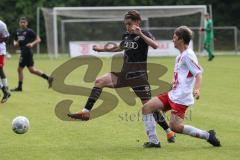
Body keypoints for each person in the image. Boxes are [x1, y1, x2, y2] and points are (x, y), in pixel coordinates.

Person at [68, 10, 175, 144]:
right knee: (99, 81)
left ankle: (168, 132)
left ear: (137, 22)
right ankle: (86, 111)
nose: (127, 27)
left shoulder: (144, 34)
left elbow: (155, 45)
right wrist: (101, 50)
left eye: (129, 24)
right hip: (124, 74)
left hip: (139, 77)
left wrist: (140, 33)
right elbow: (119, 48)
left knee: (149, 107)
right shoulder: (127, 35)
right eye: (125, 24)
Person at [141, 26, 221, 148]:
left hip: (181, 98)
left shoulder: (188, 55)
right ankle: (154, 141)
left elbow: (198, 74)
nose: (172, 39)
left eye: (174, 37)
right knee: (147, 108)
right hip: (173, 94)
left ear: (181, 39)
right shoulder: (179, 56)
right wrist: (173, 84)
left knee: (175, 127)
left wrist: (197, 89)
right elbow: (180, 76)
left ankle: (207, 135)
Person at [11, 17, 53, 92]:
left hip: (26, 52)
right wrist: (15, 43)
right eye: (21, 22)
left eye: (24, 22)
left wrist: (32, 43)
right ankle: (48, 78)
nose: (23, 23)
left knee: (19, 69)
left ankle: (19, 87)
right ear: (19, 23)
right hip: (24, 52)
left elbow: (38, 39)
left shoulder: (29, 31)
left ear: (27, 23)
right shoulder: (18, 31)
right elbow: (16, 41)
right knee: (32, 70)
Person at [0, 20, 11, 103]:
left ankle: (5, 90)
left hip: (0, 50)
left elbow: (7, 37)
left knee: (0, 69)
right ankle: (5, 91)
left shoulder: (2, 24)